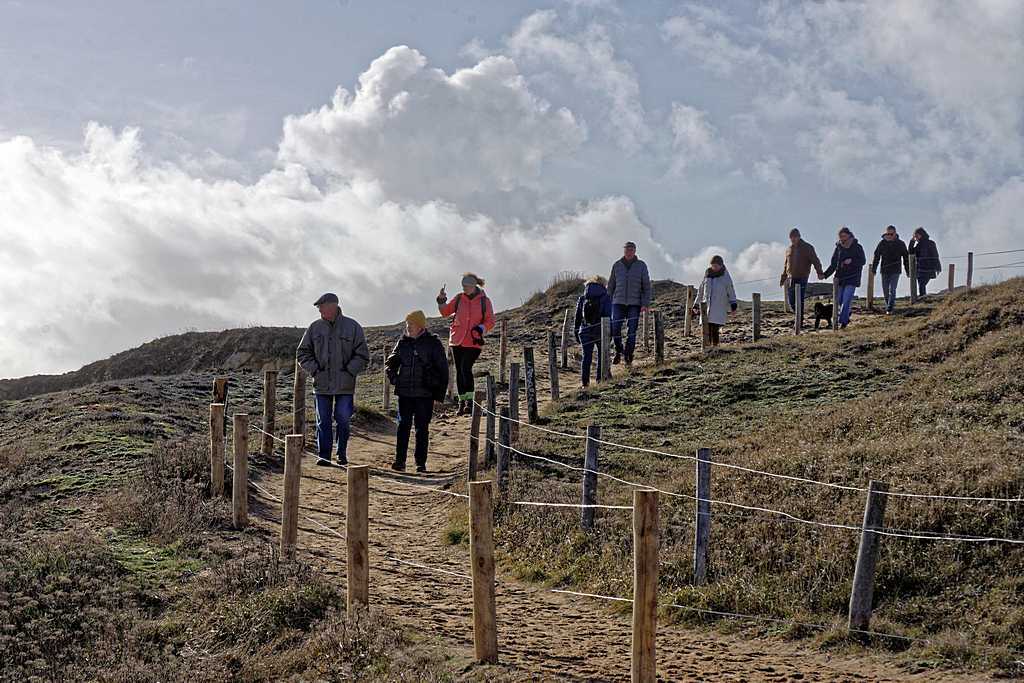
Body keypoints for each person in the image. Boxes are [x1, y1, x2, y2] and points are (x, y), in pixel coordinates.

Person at [296, 293, 370, 466]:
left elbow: (363, 354)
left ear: (334, 305)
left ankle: (341, 453)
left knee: (343, 417)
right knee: (323, 419)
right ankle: (324, 456)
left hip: (345, 384)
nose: (320, 310)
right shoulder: (314, 328)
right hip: (321, 384)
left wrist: (349, 371)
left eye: (322, 306)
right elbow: (302, 353)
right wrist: (315, 370)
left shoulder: (353, 326)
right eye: (318, 307)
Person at [385, 311, 449, 473]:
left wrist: (439, 396)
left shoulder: (433, 344)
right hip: (404, 393)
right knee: (403, 427)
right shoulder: (402, 344)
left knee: (422, 428)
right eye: (407, 324)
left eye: (411, 324)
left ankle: (420, 463)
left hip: (425, 394)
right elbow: (390, 364)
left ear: (420, 325)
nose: (408, 327)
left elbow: (443, 370)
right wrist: (395, 380)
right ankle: (400, 461)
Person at [437, 273, 495, 416]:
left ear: (473, 286)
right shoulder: (458, 298)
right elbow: (445, 312)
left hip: (473, 341)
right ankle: (462, 403)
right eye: (462, 286)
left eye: (466, 287)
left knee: (465, 368)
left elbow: (490, 321)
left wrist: (481, 329)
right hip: (457, 340)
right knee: (460, 371)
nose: (463, 289)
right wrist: (441, 299)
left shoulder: (484, 301)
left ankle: (470, 401)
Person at [607, 241, 651, 367]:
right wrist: (608, 302)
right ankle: (618, 349)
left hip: (634, 304)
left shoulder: (641, 265)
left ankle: (628, 356)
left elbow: (646, 286)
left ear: (635, 251)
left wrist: (645, 303)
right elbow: (611, 286)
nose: (629, 252)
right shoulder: (617, 265)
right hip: (617, 303)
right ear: (623, 250)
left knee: (631, 331)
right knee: (615, 328)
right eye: (627, 249)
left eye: (631, 249)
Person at [820, 227, 866, 330]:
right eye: (841, 237)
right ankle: (846, 316)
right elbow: (833, 264)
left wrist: (852, 261)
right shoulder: (838, 248)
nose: (843, 239)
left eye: (844, 236)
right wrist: (825, 275)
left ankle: (843, 322)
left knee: (846, 300)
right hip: (840, 277)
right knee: (839, 300)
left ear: (849, 235)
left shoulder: (857, 247)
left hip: (852, 278)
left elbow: (862, 261)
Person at [779, 228, 824, 327]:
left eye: (794, 237)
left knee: (799, 300)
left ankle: (799, 322)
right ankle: (798, 316)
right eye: (791, 238)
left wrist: (820, 272)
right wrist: (783, 278)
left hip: (802, 278)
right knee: (791, 300)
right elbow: (786, 265)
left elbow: (816, 261)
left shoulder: (807, 248)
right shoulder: (789, 250)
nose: (792, 239)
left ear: (799, 236)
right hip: (790, 278)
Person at [573, 275, 612, 388]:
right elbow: (608, 316)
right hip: (600, 331)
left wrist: (576, 332)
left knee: (586, 357)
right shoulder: (606, 297)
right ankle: (599, 380)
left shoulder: (582, 297)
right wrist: (610, 333)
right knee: (601, 355)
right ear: (603, 284)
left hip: (584, 331)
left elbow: (577, 317)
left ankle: (585, 384)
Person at [692, 255, 737, 346]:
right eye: (713, 265)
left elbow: (731, 292)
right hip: (705, 307)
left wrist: (733, 305)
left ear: (721, 265)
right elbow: (700, 292)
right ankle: (706, 348)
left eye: (716, 266)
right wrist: (696, 304)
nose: (714, 268)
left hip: (718, 307)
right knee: (705, 329)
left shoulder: (726, 278)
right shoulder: (706, 277)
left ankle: (715, 347)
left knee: (714, 329)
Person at [870, 225, 910, 314]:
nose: (889, 236)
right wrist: (873, 269)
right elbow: (876, 256)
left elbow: (906, 258)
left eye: (891, 234)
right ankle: (888, 305)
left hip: (896, 270)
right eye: (888, 234)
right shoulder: (882, 243)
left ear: (895, 233)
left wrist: (908, 271)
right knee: (885, 290)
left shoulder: (901, 244)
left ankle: (889, 308)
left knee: (892, 289)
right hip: (884, 270)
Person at [908, 227, 941, 297]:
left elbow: (935, 256)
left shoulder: (930, 243)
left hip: (928, 268)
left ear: (921, 235)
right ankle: (923, 298)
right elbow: (911, 254)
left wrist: (938, 268)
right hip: (919, 269)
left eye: (916, 236)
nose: (916, 238)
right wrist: (911, 243)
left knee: (922, 285)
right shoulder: (918, 245)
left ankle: (923, 298)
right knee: (921, 285)